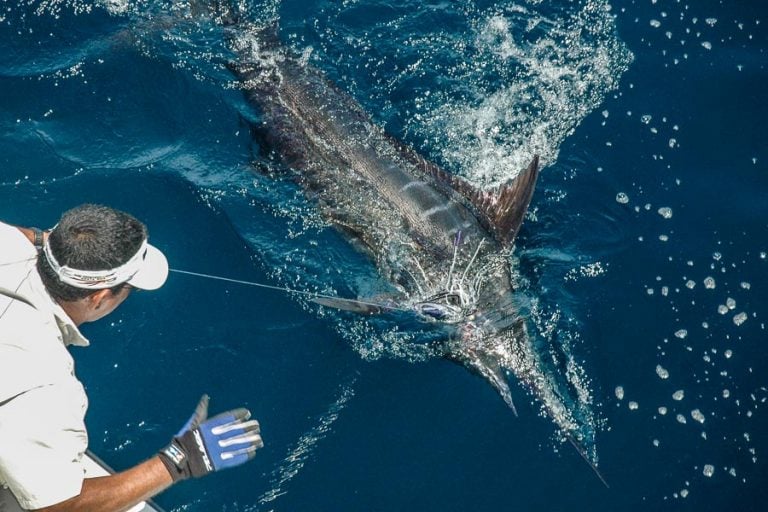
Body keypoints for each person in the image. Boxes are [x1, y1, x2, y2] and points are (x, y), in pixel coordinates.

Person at [0, 204, 263, 511]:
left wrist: (53, 245)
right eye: (129, 289)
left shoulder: (11, 241)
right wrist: (179, 461)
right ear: (98, 298)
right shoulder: (47, 386)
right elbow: (58, 507)